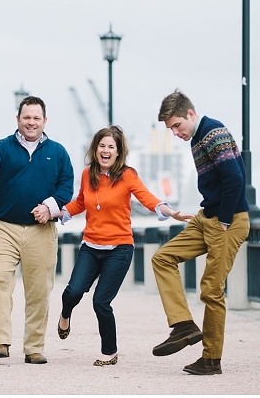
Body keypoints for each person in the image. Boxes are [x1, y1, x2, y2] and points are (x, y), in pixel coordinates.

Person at [57, 126, 189, 367]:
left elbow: (147, 197)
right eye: (102, 146)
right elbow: (80, 203)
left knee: (101, 302)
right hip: (91, 246)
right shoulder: (88, 174)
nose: (106, 151)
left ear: (118, 153)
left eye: (111, 147)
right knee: (73, 292)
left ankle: (109, 352)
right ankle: (65, 315)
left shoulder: (127, 175)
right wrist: (59, 212)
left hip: (119, 248)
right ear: (95, 149)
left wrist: (170, 212)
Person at [0, 95, 74, 364]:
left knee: (39, 290)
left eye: (36, 118)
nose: (31, 122)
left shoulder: (58, 152)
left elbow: (67, 187)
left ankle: (34, 348)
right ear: (18, 119)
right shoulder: (2, 147)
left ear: (45, 121)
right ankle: (1, 341)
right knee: (0, 279)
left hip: (41, 230)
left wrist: (49, 206)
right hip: (5, 227)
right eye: (26, 117)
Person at [150, 90, 250, 376]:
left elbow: (235, 177)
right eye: (170, 128)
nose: (175, 133)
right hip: (207, 217)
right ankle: (183, 326)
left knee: (212, 290)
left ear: (190, 114)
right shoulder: (197, 137)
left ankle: (211, 360)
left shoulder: (213, 132)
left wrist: (226, 221)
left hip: (226, 221)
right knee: (163, 258)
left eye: (176, 126)